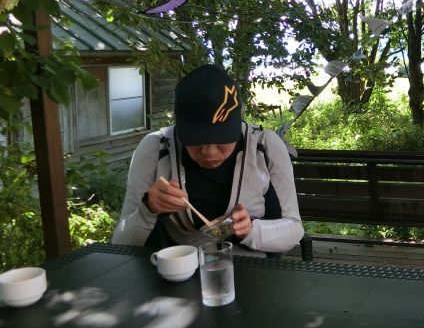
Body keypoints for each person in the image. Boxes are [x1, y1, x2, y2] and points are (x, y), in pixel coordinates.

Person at [113, 64, 304, 253]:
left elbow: (294, 230)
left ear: (237, 125)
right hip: (181, 267)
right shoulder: (155, 147)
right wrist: (148, 209)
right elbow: (121, 243)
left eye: (222, 138)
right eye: (195, 139)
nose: (209, 152)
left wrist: (250, 230)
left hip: (252, 266)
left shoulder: (264, 146)